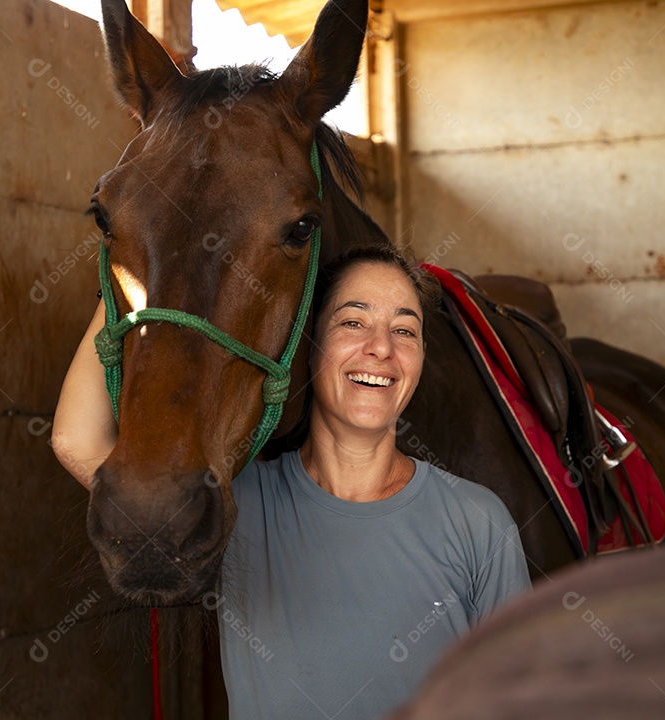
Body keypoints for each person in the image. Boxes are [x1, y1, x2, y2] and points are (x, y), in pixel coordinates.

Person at [53, 245, 532, 719]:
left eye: (404, 330)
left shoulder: (478, 523)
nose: (382, 348)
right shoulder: (240, 505)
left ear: (421, 357)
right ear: (310, 345)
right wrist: (127, 261)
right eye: (353, 322)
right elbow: (77, 438)